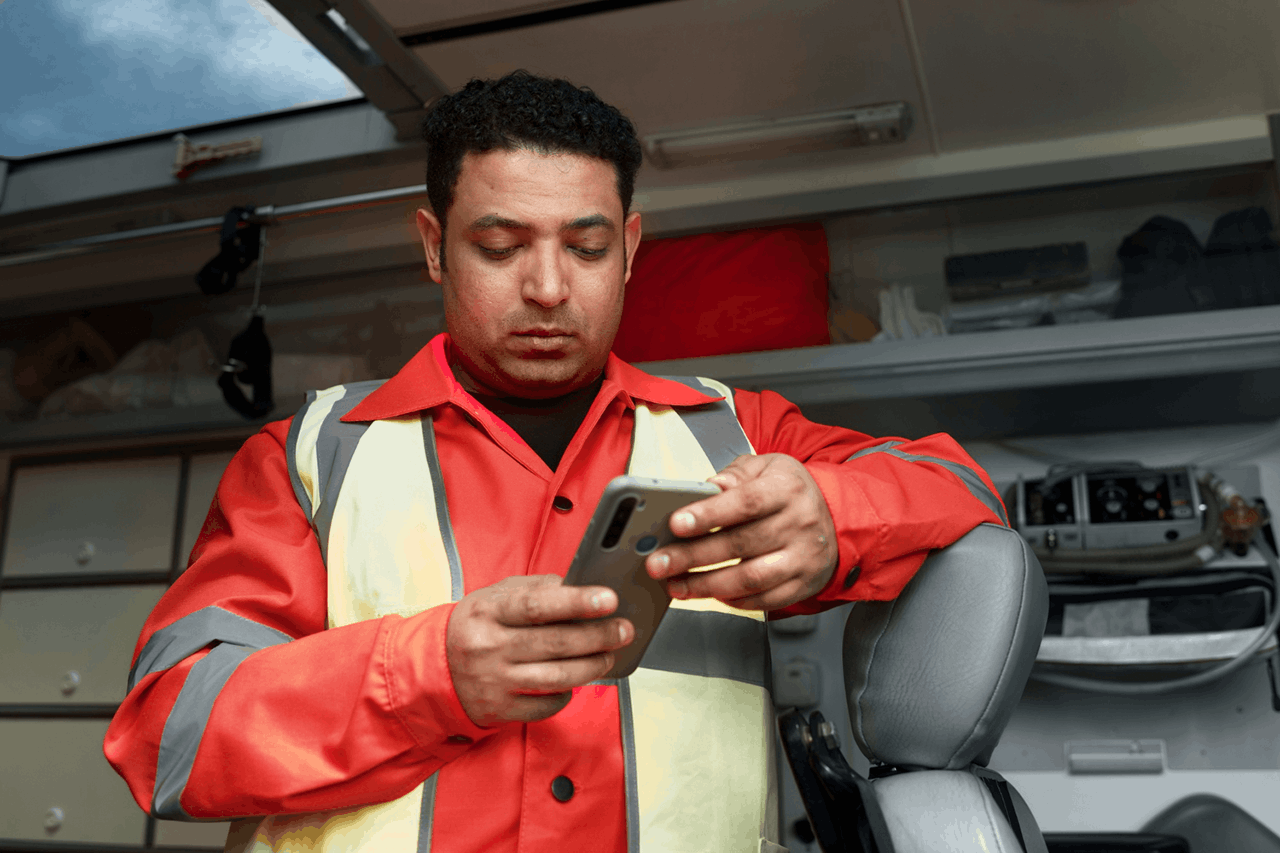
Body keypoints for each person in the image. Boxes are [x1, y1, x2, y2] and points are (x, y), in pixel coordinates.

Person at [105, 71, 1008, 853]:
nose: (546, 287)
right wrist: (429, 675)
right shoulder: (310, 459)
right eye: (499, 247)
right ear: (433, 247)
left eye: (586, 247)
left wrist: (833, 517)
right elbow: (168, 735)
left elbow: (962, 488)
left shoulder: (731, 428)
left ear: (631, 250)